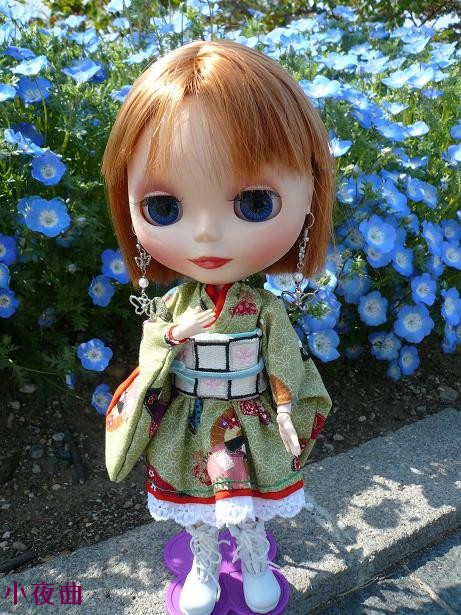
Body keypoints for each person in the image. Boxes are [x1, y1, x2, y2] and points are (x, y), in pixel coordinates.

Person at [101, 39, 334, 615]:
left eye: (254, 203)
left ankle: (254, 559)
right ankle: (204, 560)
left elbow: (285, 358)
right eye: (165, 208)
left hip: (249, 414)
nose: (206, 234)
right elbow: (152, 350)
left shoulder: (262, 309)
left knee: (248, 504)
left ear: (310, 194)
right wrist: (174, 337)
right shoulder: (175, 303)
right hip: (190, 414)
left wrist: (286, 406)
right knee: (197, 504)